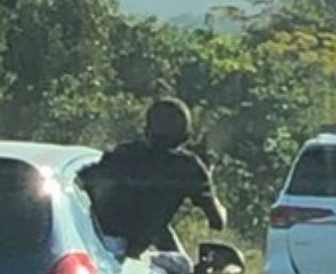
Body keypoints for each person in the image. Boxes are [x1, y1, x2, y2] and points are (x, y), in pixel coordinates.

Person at [79, 98, 227, 258]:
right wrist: (208, 181)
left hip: (93, 245)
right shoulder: (188, 168)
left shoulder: (123, 154)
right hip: (131, 252)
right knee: (183, 268)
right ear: (185, 134)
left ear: (147, 129)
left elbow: (84, 181)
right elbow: (218, 222)